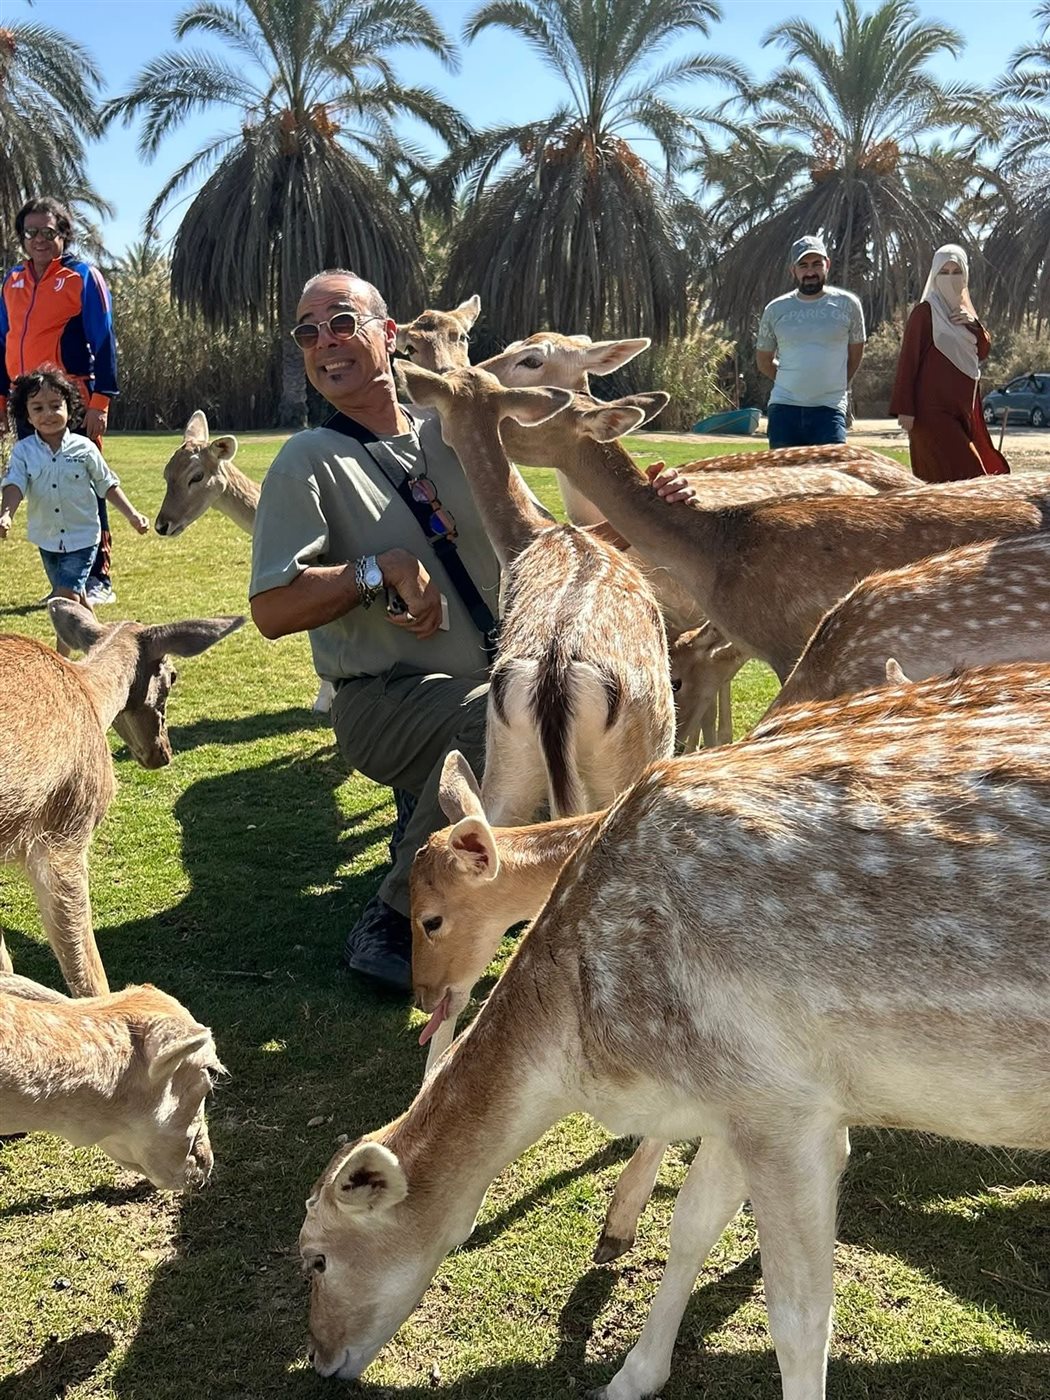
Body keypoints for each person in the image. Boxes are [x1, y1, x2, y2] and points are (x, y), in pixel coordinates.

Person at [249, 268, 692, 994]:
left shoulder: (456, 429)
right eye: (308, 332)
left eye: (342, 323)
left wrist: (649, 515)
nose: (325, 342)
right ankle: (397, 914)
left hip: (495, 678)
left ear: (389, 337)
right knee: (504, 727)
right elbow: (272, 608)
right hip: (387, 698)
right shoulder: (309, 460)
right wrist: (379, 569)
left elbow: (542, 544)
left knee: (544, 717)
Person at [0, 196, 121, 604]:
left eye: (47, 232)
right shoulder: (11, 281)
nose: (38, 239)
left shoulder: (81, 276)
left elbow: (104, 341)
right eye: (30, 232)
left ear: (63, 235)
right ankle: (62, 579)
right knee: (41, 485)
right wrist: (2, 401)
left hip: (70, 399)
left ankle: (97, 577)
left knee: (85, 484)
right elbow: (3, 342)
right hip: (25, 400)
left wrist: (99, 402)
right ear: (22, 237)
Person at [0, 367, 149, 632]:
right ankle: (102, 639)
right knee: (76, 597)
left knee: (63, 599)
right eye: (38, 408)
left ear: (70, 407)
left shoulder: (85, 448)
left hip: (83, 537)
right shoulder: (24, 452)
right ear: (28, 416)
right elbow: (15, 484)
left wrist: (133, 515)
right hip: (46, 538)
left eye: (55, 405)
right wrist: (6, 514)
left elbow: (108, 485)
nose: (48, 414)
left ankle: (63, 661)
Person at [889, 244, 1009, 482]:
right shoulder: (924, 313)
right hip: (930, 414)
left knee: (950, 487)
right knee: (972, 477)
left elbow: (982, 351)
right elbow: (908, 361)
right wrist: (905, 409)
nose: (951, 278)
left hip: (962, 413)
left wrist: (972, 324)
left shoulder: (965, 314)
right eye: (944, 272)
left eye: (957, 272)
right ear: (934, 275)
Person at [756, 235, 866, 449]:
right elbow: (764, 361)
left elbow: (855, 355)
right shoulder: (775, 309)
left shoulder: (848, 305)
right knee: (783, 480)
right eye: (803, 265)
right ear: (793, 270)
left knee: (832, 479)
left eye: (817, 264)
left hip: (829, 410)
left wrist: (832, 382)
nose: (810, 272)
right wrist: (793, 378)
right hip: (784, 411)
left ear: (827, 265)